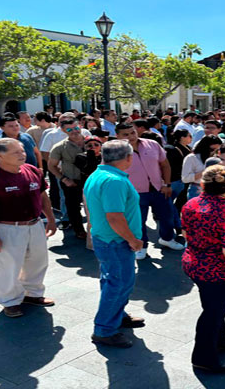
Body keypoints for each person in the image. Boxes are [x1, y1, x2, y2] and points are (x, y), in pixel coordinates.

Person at [0, 138, 57, 318]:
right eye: (15, 152)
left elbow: (42, 195)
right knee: (8, 266)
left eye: (22, 151)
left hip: (34, 224)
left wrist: (51, 219)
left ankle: (32, 294)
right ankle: (9, 301)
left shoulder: (32, 170)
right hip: (7, 228)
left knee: (38, 262)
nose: (22, 154)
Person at [181, 165, 225, 373]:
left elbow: (186, 233)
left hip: (194, 263)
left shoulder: (191, 204)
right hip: (217, 271)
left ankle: (220, 342)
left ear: (203, 184)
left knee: (215, 307)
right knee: (213, 312)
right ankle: (203, 358)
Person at [83, 140, 145, 347]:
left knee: (111, 281)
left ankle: (116, 315)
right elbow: (115, 217)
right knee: (118, 283)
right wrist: (133, 240)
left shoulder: (98, 174)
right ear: (128, 158)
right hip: (115, 241)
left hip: (107, 239)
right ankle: (105, 329)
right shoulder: (114, 181)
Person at [115, 123, 185, 259]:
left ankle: (167, 238)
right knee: (138, 221)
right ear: (117, 136)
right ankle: (141, 247)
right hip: (134, 192)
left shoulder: (152, 144)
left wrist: (167, 184)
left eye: (132, 132)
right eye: (126, 134)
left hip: (159, 188)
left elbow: (165, 165)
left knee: (167, 216)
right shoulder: (115, 151)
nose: (131, 136)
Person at [48, 117, 89, 239]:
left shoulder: (92, 142)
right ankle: (79, 231)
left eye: (76, 128)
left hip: (92, 180)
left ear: (80, 126)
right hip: (72, 182)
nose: (74, 131)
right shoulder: (59, 147)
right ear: (63, 130)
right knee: (73, 208)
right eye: (70, 129)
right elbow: (51, 166)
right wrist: (64, 179)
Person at [164, 129, 193, 237]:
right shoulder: (173, 149)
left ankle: (178, 225)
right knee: (172, 205)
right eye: (189, 136)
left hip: (184, 180)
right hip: (176, 180)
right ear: (182, 137)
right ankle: (177, 226)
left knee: (178, 204)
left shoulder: (188, 148)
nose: (191, 138)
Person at [182, 134, 223, 200]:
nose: (214, 152)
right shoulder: (192, 158)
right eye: (212, 149)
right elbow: (185, 178)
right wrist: (206, 171)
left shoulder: (216, 158)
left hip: (215, 190)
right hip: (197, 190)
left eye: (217, 150)